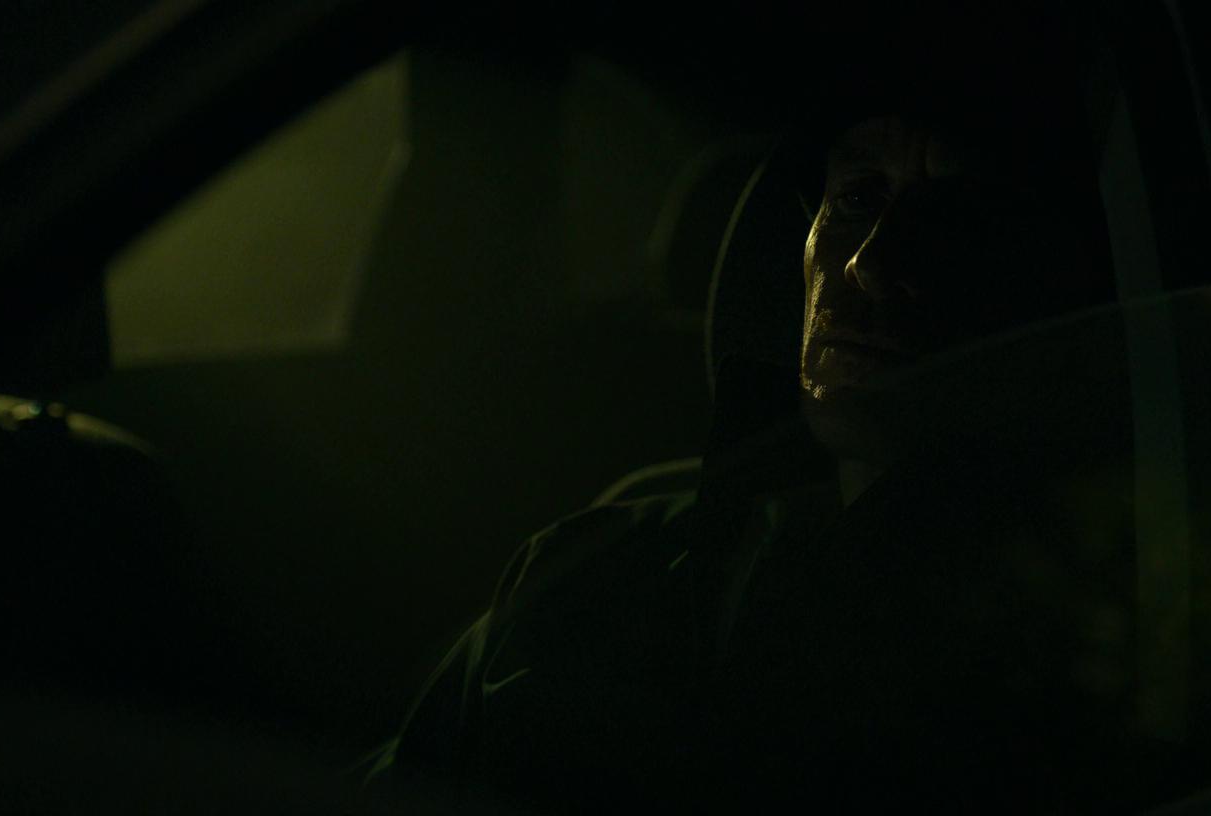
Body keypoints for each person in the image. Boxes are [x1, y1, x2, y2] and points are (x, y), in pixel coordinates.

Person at [368, 6, 1141, 812]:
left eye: (966, 217)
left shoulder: (1104, 632)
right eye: (857, 197)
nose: (873, 261)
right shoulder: (586, 570)